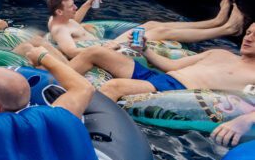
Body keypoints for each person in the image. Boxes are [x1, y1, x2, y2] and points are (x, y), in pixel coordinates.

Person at [68, 21, 255, 102]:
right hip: (161, 78)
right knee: (95, 52)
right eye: (248, 33)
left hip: (177, 90)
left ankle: (84, 130)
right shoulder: (219, 53)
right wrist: (144, 49)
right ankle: (48, 82)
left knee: (114, 87)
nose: (248, 38)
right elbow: (171, 66)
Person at [48, 0, 243, 59]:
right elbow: (71, 52)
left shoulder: (58, 19)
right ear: (59, 11)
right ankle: (225, 29)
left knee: (150, 23)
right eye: (70, 6)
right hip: (109, 46)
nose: (74, 7)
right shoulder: (59, 29)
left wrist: (86, 5)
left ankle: (215, 21)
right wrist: (105, 47)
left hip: (107, 43)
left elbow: (76, 22)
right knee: (159, 31)